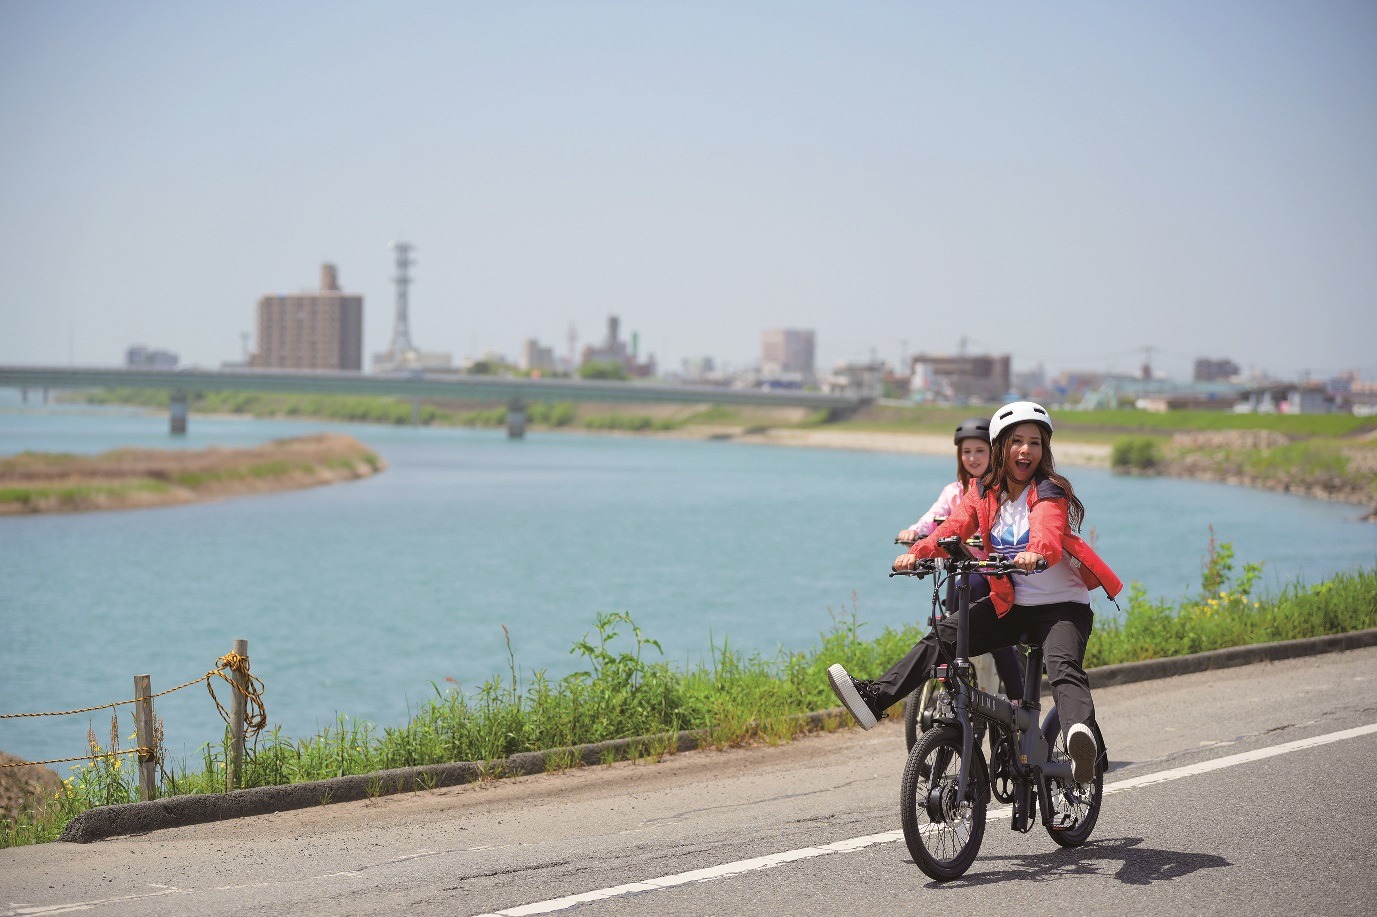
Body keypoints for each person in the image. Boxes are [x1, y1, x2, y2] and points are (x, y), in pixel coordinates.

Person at [829, 401, 1122, 783]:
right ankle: (875, 699)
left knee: (1064, 669)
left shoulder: (1050, 491)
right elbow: (953, 528)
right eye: (1017, 441)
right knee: (943, 637)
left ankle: (1080, 739)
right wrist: (917, 554)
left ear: (1044, 450)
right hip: (1012, 606)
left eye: (1035, 443)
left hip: (1062, 609)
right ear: (1001, 446)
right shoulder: (983, 492)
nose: (1026, 450)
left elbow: (1048, 534)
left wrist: (1037, 554)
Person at [897, 418, 1026, 702]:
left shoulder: (1001, 490)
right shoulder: (953, 491)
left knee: (991, 621)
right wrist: (914, 532)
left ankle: (1017, 698)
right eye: (966, 452)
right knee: (952, 600)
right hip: (958, 570)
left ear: (994, 452)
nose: (972, 457)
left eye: (980, 451)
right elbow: (933, 519)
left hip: (992, 573)